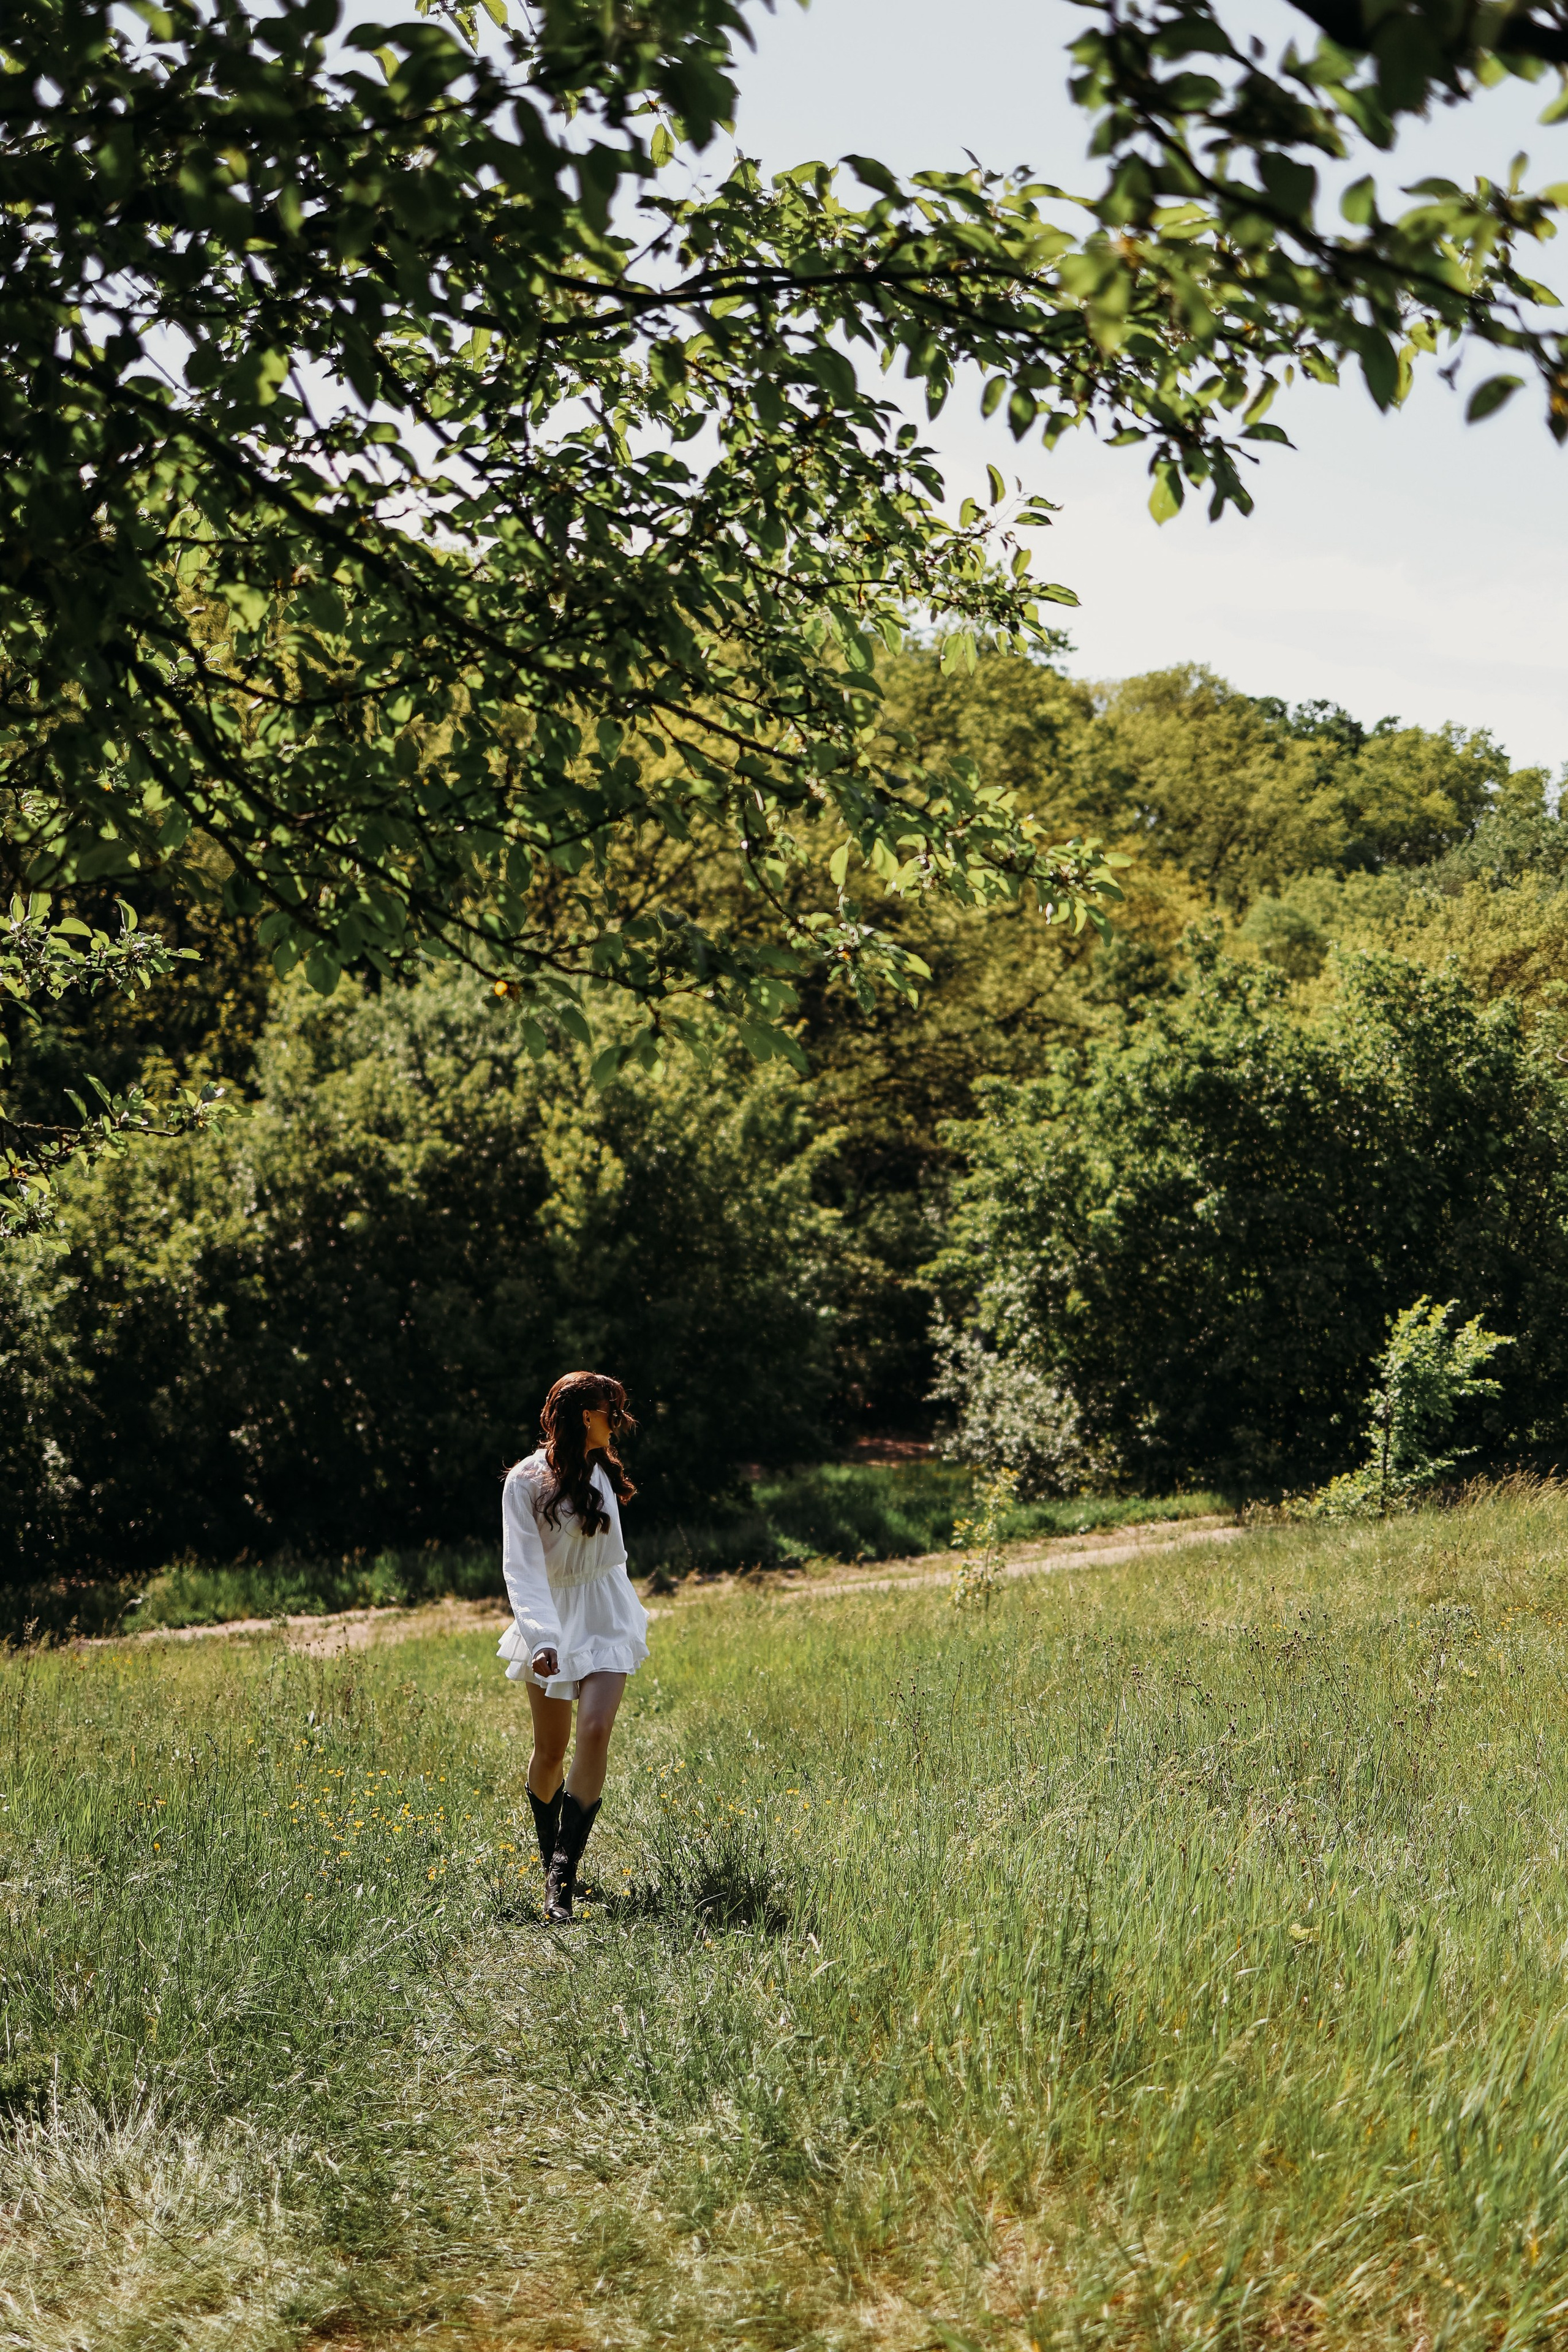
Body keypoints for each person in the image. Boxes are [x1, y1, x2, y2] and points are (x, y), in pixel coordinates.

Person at [497, 1370, 649, 1922]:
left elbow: (610, 1556)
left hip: (607, 1613)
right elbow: (521, 1568)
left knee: (596, 1730)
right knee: (551, 1751)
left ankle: (562, 1877)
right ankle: (549, 1855)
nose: (620, 1424)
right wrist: (540, 1637)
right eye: (614, 1413)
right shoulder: (525, 1481)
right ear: (587, 1416)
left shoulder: (600, 1469)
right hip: (553, 1620)